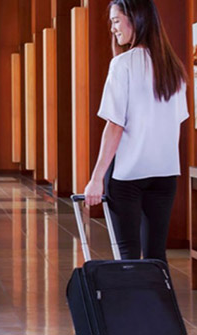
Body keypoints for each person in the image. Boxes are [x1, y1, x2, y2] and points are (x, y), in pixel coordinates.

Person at [84, 0, 188, 263]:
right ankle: (158, 305)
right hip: (165, 174)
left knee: (128, 256)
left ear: (136, 19)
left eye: (116, 20)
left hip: (128, 175)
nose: (112, 29)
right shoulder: (174, 68)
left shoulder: (123, 65)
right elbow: (176, 121)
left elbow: (115, 125)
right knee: (156, 256)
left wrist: (96, 178)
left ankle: (130, 305)